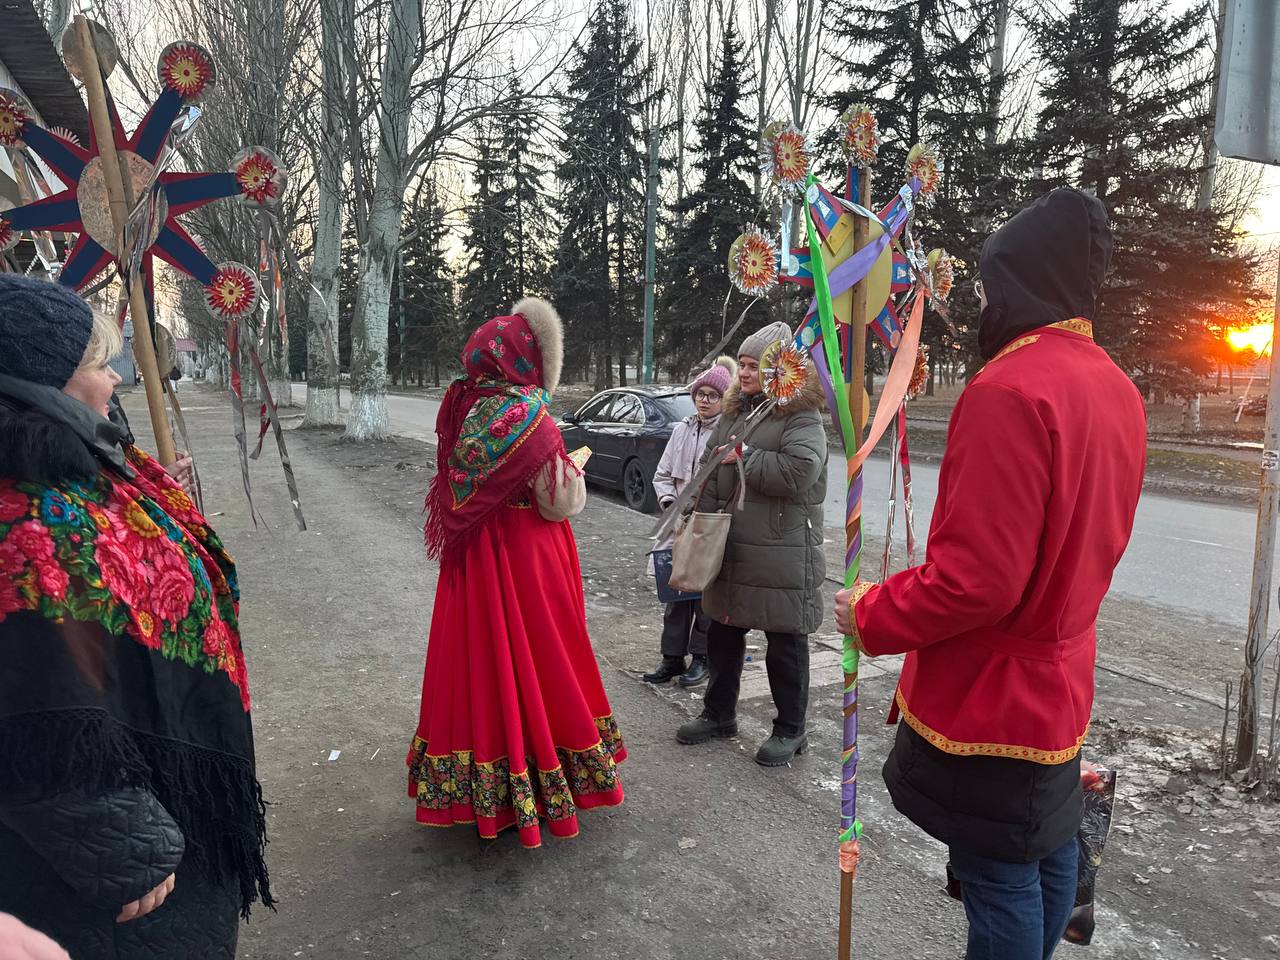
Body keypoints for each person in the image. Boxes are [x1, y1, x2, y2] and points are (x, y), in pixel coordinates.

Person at [834, 187, 1145, 960]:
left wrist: (872, 613)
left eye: (989, 284)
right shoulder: (1115, 386)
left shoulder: (1010, 388)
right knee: (1050, 851)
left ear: (1020, 281)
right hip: (1061, 681)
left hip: (995, 701)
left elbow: (978, 580)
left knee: (999, 870)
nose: (981, 302)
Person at [0, 274, 272, 959]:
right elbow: (32, 706)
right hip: (108, 860)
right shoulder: (23, 516)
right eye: (99, 363)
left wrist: (155, 512)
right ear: (41, 379)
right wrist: (122, 844)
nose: (116, 379)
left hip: (162, 784)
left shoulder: (65, 460)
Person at [409, 297, 625, 847]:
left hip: (473, 560)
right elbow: (556, 501)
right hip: (528, 558)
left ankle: (483, 791)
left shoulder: (463, 406)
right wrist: (573, 471)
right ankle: (544, 780)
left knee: (481, 662)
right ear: (528, 360)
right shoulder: (532, 418)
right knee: (543, 657)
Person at [675, 320, 828, 767]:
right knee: (722, 633)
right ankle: (719, 714)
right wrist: (692, 508)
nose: (742, 373)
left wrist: (744, 455)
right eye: (741, 364)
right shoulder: (735, 413)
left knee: (785, 644)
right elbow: (709, 465)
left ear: (779, 369)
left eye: (753, 366)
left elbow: (800, 472)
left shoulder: (801, 415)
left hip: (783, 551)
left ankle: (791, 730)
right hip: (732, 546)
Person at [643, 355, 737, 687]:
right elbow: (663, 474)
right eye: (700, 394)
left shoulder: (728, 432)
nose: (705, 401)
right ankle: (671, 658)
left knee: (702, 597)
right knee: (674, 593)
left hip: (707, 524)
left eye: (713, 395)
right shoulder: (682, 429)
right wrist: (669, 503)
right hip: (677, 522)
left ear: (724, 399)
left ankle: (701, 658)